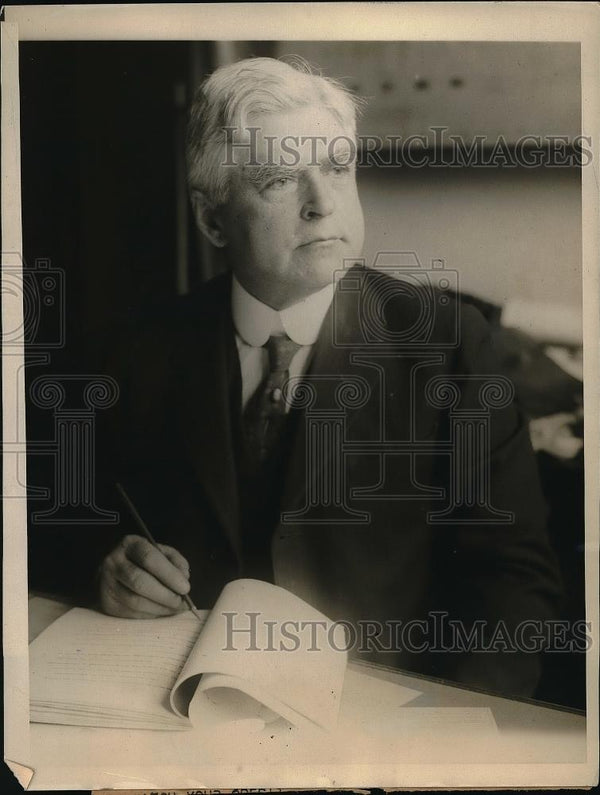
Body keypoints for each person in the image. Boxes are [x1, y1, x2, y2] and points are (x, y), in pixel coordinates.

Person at [95, 57, 562, 696]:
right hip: (179, 708)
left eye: (337, 167)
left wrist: (447, 740)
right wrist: (111, 569)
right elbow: (72, 527)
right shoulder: (141, 350)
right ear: (211, 219)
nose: (323, 204)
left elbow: (514, 585)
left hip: (383, 724)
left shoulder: (450, 347)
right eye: (280, 180)